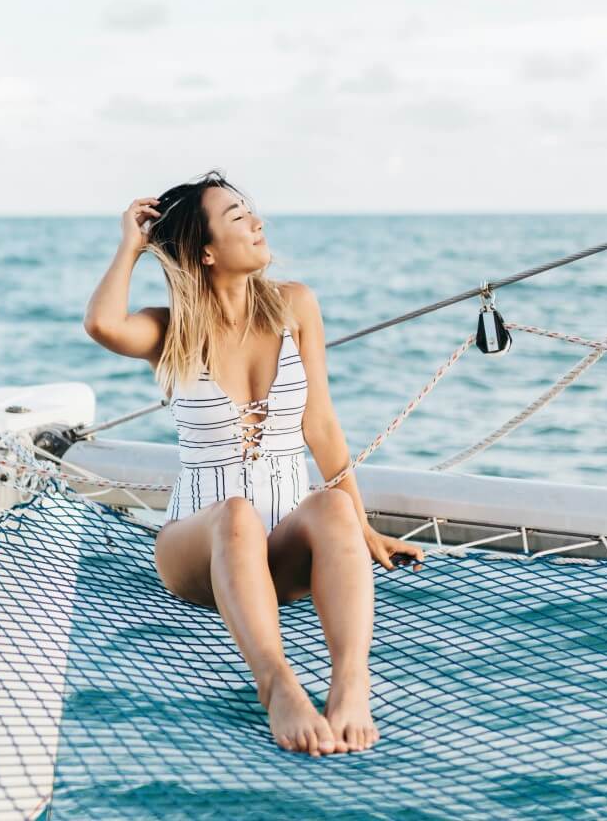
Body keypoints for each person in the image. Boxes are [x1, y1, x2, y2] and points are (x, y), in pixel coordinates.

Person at [83, 169, 424, 758]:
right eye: (238, 218)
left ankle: (351, 684)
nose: (257, 222)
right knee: (236, 513)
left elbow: (320, 425)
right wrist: (130, 247)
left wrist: (359, 526)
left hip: (282, 549)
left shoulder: (295, 305)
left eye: (252, 211)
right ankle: (279, 685)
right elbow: (102, 324)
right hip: (199, 550)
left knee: (332, 506)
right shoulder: (169, 329)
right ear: (207, 251)